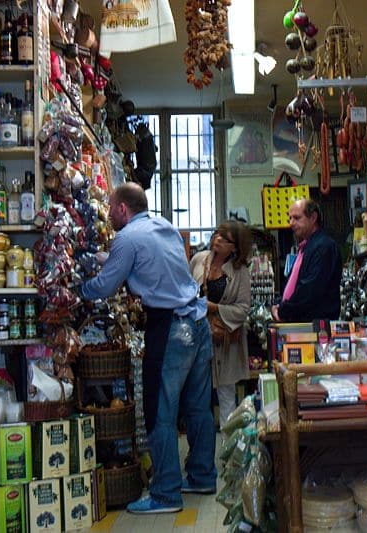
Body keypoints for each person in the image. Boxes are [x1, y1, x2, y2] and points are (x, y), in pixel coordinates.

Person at [80, 182, 217, 514]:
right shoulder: (164, 226)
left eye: (111, 207)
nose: (108, 213)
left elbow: (106, 285)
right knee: (198, 407)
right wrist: (108, 257)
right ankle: (201, 476)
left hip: (170, 327)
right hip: (198, 322)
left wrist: (78, 289)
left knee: (160, 410)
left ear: (123, 210)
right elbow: (149, 262)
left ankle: (166, 494)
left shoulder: (125, 238)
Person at [189, 221, 252, 429]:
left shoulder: (240, 271)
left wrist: (215, 308)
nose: (218, 239)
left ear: (235, 247)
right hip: (198, 338)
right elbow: (187, 291)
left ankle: (228, 452)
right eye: (217, 234)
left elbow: (243, 308)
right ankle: (198, 451)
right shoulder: (199, 260)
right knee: (198, 396)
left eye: (225, 239)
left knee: (226, 397)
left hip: (225, 342)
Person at [271, 198, 341, 322]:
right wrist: (278, 304)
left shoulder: (323, 246)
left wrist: (282, 310)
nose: (291, 223)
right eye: (290, 218)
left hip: (314, 327)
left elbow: (309, 290)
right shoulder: (306, 246)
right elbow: (294, 285)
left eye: (297, 218)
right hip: (300, 323)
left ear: (313, 217)